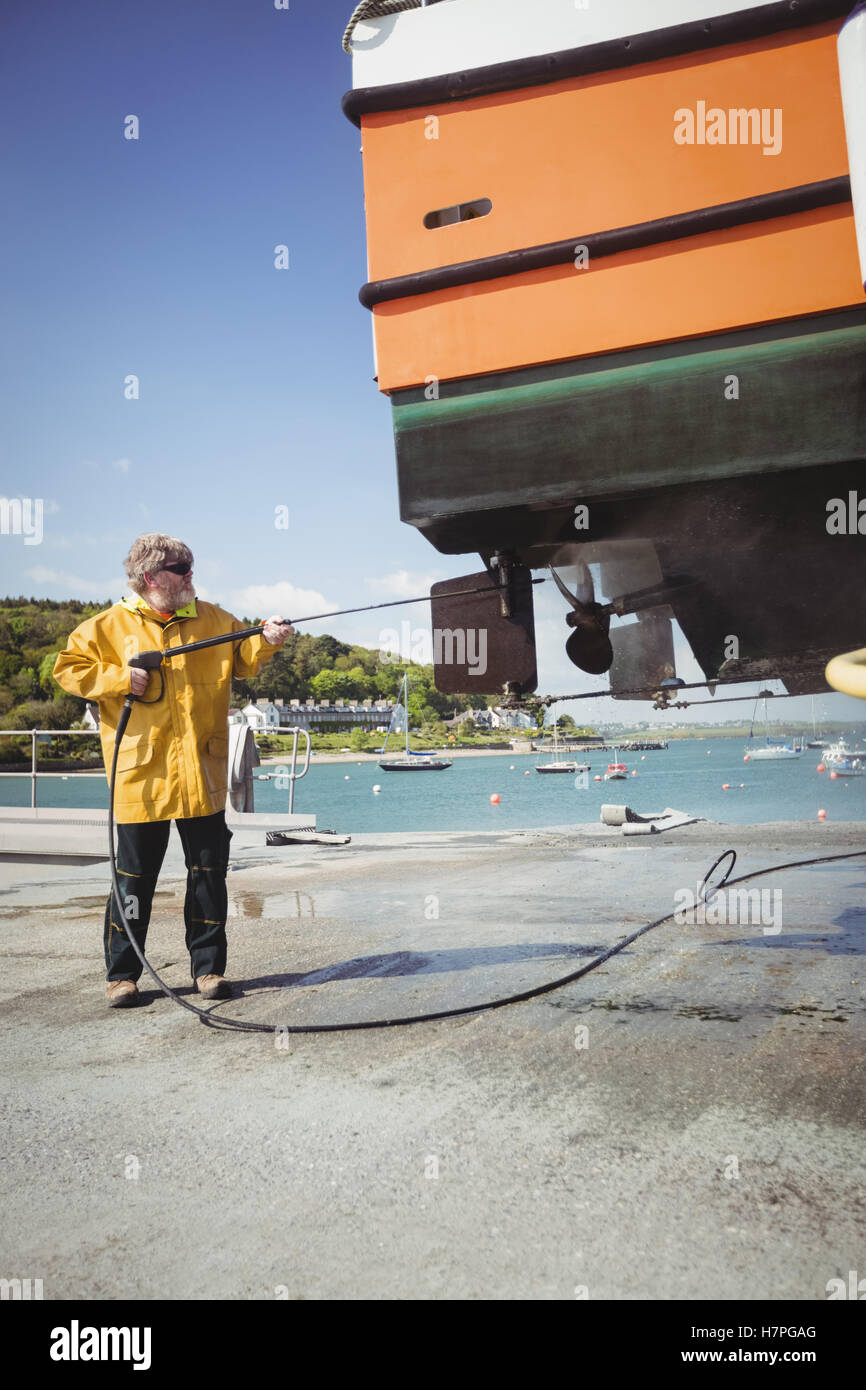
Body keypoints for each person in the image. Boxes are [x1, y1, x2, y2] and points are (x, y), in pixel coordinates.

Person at [53, 533, 292, 1008]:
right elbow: (67, 669)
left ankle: (209, 971)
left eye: (190, 567)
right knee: (133, 880)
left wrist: (267, 640)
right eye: (181, 569)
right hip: (141, 778)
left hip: (201, 775)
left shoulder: (215, 619)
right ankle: (122, 976)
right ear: (150, 577)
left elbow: (245, 660)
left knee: (208, 873)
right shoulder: (105, 627)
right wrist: (120, 678)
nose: (190, 576)